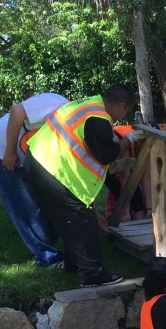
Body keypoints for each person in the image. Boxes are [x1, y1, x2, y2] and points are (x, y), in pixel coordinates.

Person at [24, 84, 136, 287]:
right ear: (121, 105)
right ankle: (92, 275)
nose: (122, 116)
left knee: (69, 220)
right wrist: (128, 140)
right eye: (125, 111)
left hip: (40, 160)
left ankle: (74, 265)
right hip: (53, 169)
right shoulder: (98, 118)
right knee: (82, 222)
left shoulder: (88, 104)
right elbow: (107, 154)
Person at [0, 92, 68, 267]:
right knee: (25, 207)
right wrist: (10, 151)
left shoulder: (74, 127)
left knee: (42, 204)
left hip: (29, 158)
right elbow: (17, 112)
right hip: (3, 152)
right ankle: (48, 258)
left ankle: (49, 244)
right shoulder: (57, 103)